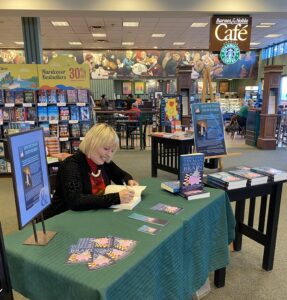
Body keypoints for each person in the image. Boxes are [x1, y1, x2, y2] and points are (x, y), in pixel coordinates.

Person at [45, 124, 138, 218]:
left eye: (112, 151)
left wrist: (129, 180)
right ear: (92, 144)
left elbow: (121, 175)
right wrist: (116, 198)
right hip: (62, 219)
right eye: (106, 149)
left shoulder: (102, 161)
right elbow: (76, 201)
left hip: (90, 215)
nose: (109, 155)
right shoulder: (71, 165)